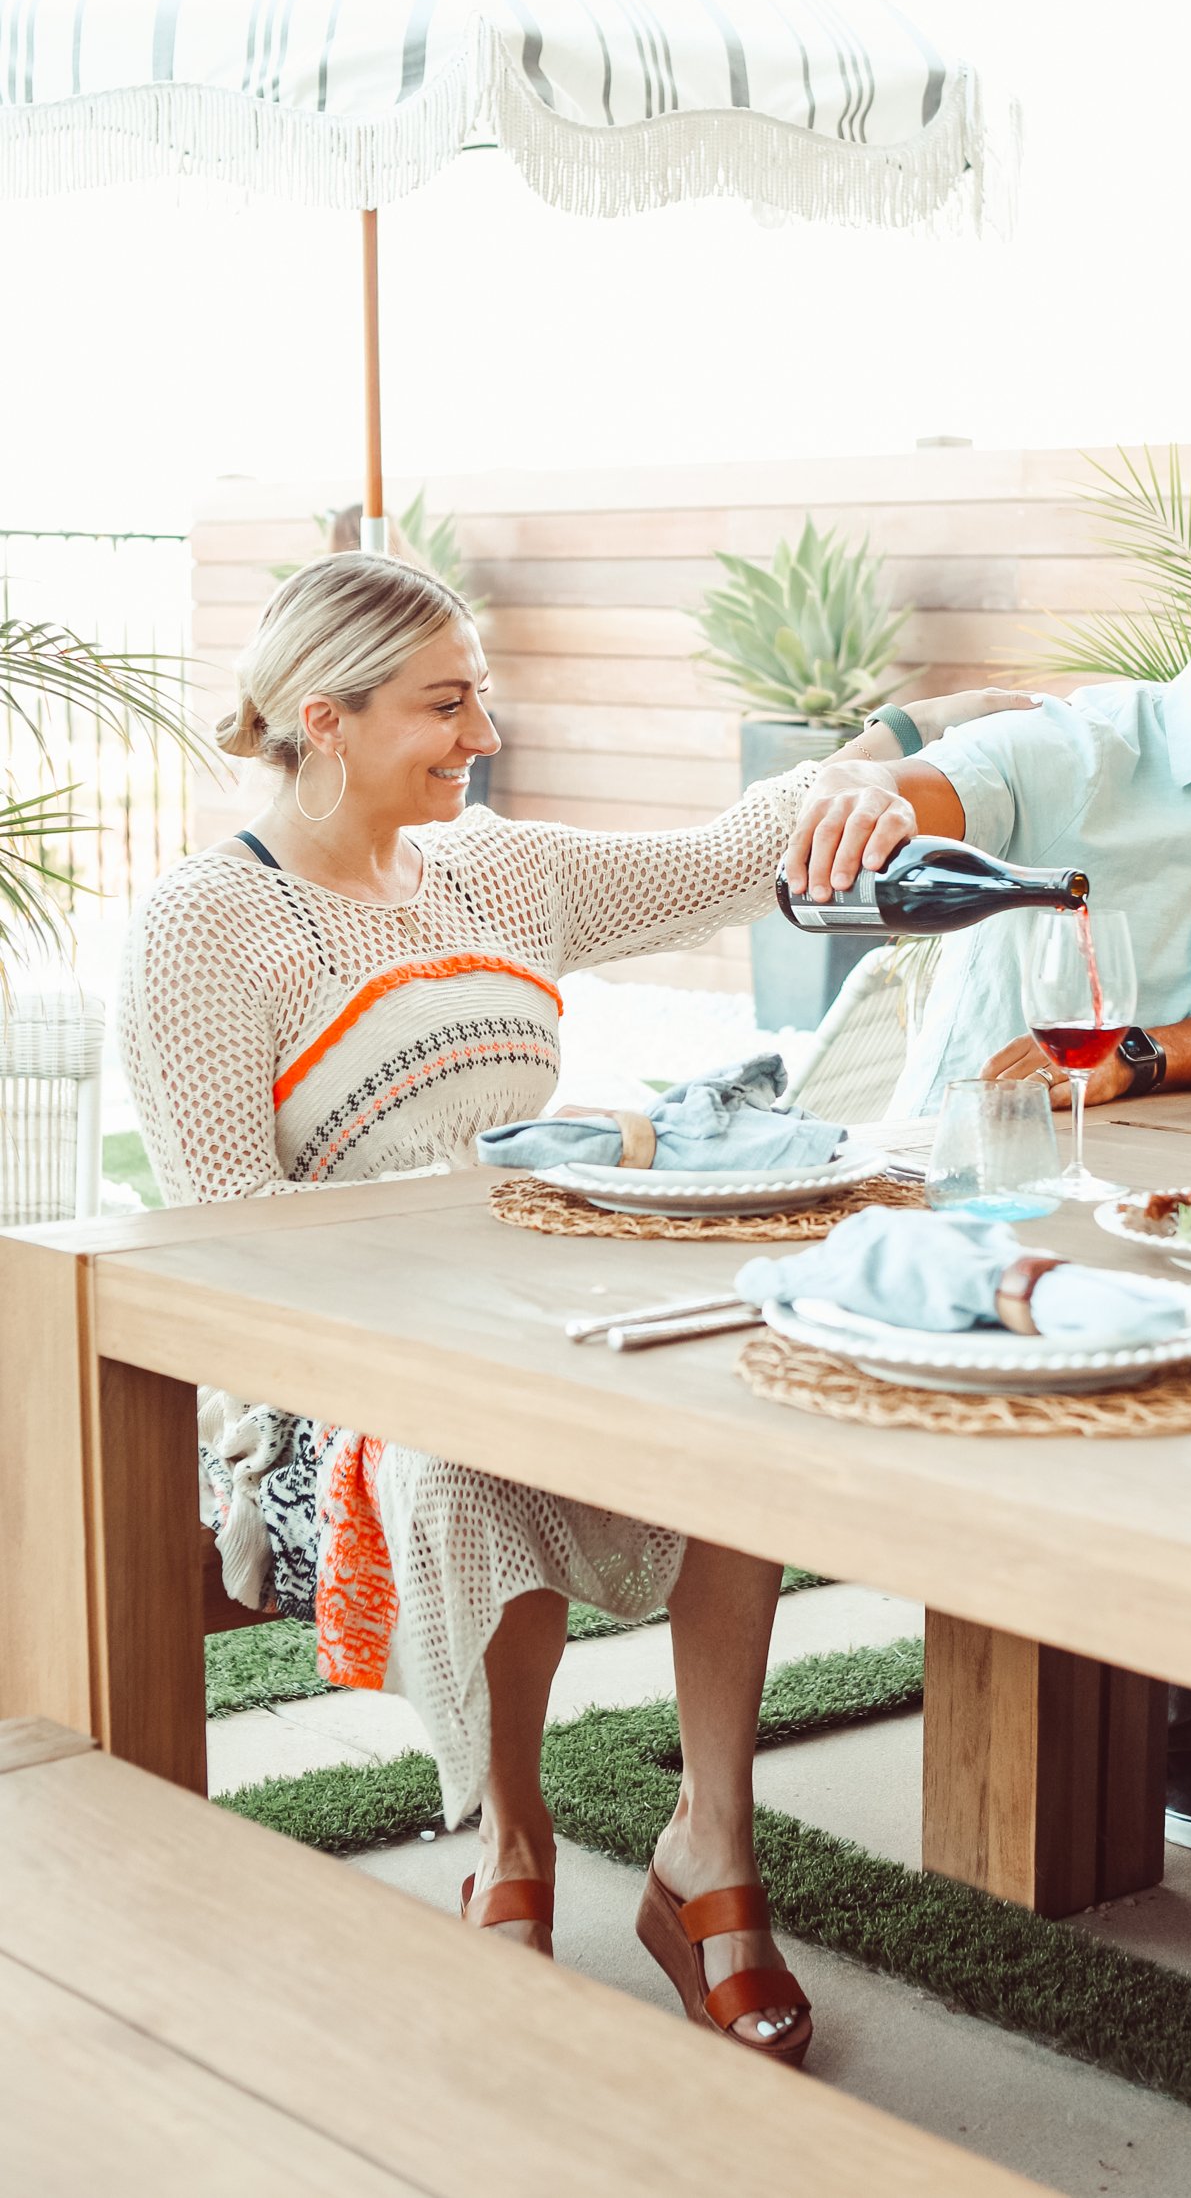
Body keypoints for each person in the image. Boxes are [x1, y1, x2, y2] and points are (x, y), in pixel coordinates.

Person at [120, 548, 1010, 2057]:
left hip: (546, 1321)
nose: (480, 736)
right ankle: (512, 1854)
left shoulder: (496, 871)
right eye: (445, 704)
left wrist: (915, 746)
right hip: (326, 1387)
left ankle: (709, 1857)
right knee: (466, 1461)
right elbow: (232, 1240)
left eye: (480, 702)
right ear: (324, 718)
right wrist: (452, 1304)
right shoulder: (209, 925)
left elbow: (735, 853)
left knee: (745, 1392)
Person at [786, 471, 1191, 1856]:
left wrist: (1140, 1056)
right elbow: (941, 780)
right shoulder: (1081, 748)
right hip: (1007, 1164)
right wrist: (865, 790)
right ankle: (1152, 1724)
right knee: (1137, 1383)